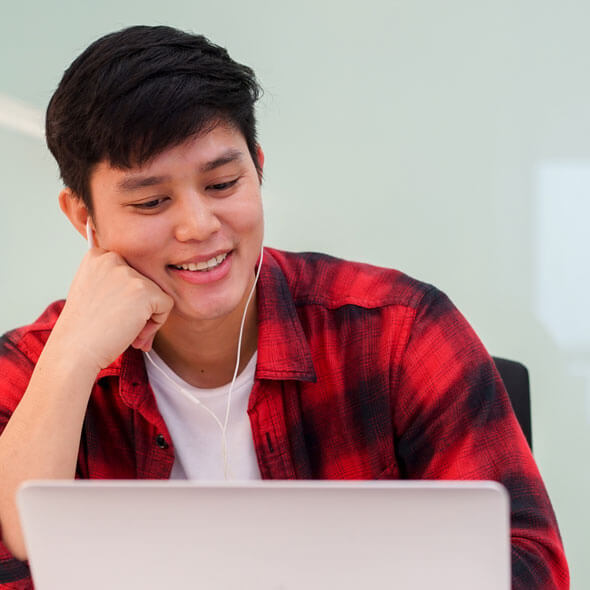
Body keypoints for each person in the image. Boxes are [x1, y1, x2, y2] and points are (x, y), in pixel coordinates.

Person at [0, 25, 568, 589]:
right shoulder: (29, 369)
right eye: (151, 201)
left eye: (223, 184)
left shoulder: (399, 329)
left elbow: (528, 565)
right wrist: (70, 360)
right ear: (83, 218)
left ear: (258, 167)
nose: (199, 227)